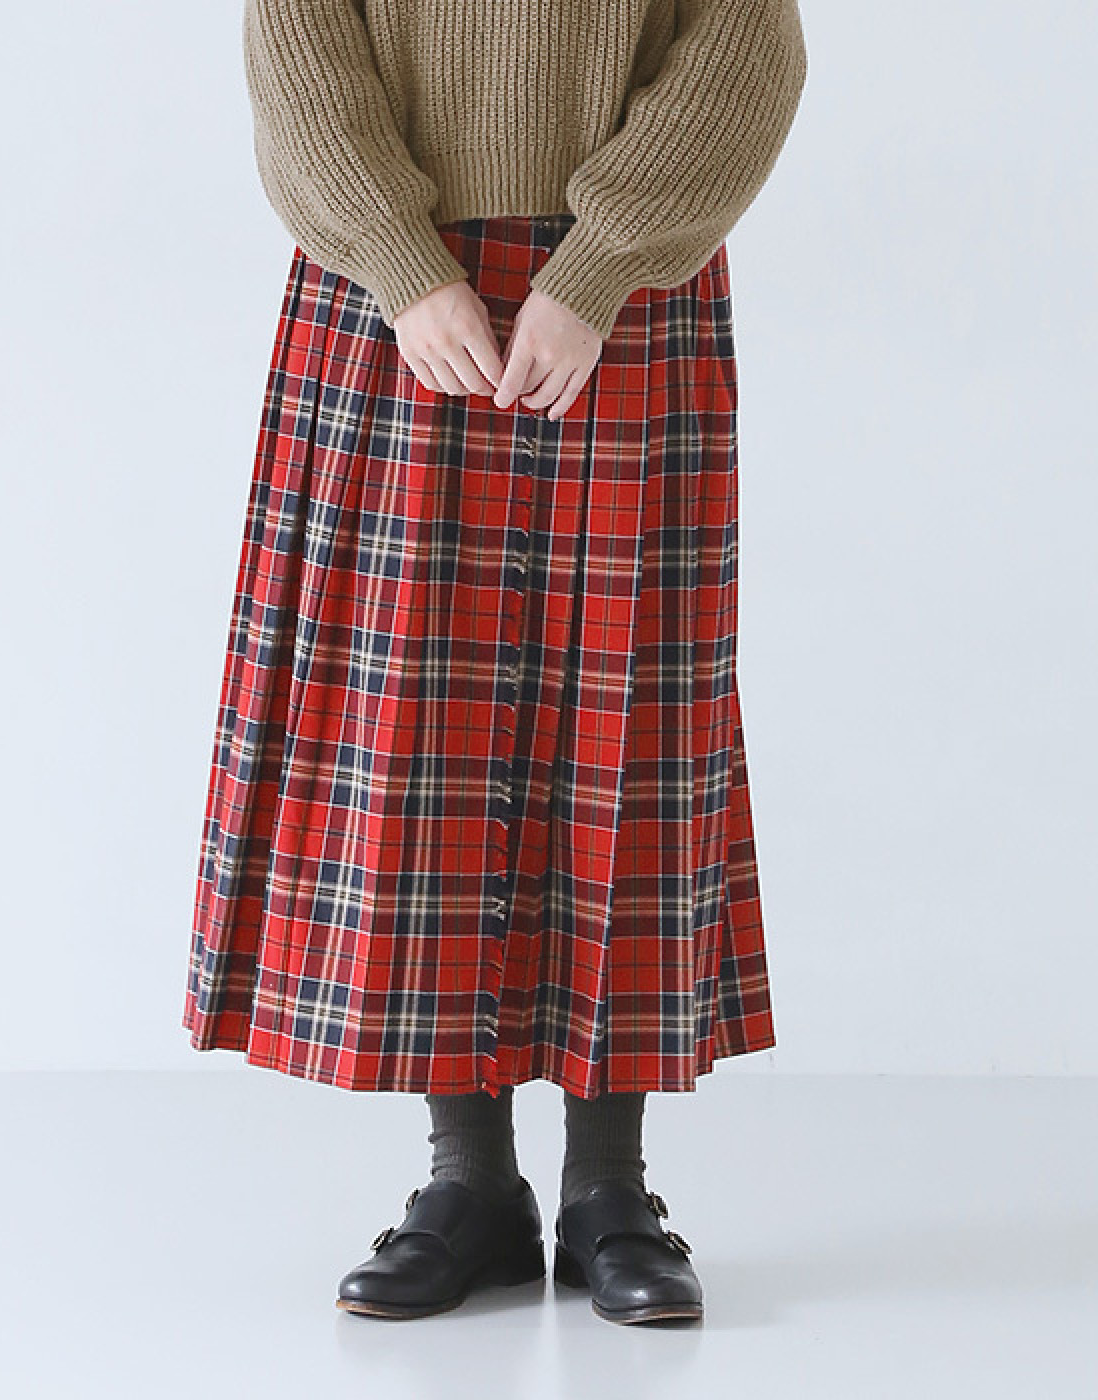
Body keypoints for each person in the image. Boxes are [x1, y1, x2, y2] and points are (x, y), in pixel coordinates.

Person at [183, 0, 808, 1327]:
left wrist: (598, 268)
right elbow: (300, 47)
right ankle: (469, 1183)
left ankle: (609, 1191)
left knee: (624, 723)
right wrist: (399, 260)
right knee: (417, 734)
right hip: (393, 300)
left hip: (626, 297)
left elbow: (746, 43)